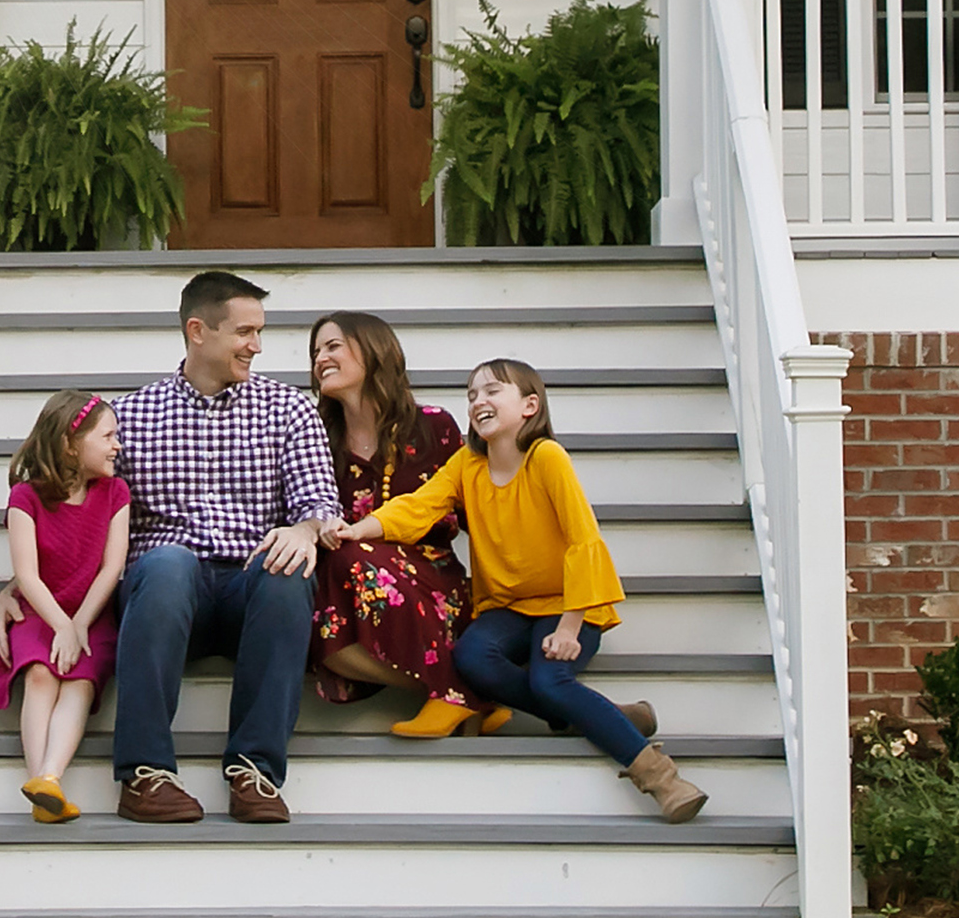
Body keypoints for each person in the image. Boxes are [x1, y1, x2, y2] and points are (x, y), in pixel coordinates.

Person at [368, 356, 706, 820]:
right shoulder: (467, 463)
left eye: (492, 391)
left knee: (551, 681)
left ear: (530, 405)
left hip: (571, 603)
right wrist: (358, 529)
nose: (478, 401)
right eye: (471, 395)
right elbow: (417, 508)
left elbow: (583, 539)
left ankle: (661, 779)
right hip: (507, 607)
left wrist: (570, 626)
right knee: (470, 658)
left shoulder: (546, 457)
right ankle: (604, 713)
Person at [103, 267, 339, 825]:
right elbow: (81, 509)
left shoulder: (288, 410)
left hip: (247, 592)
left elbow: (319, 504)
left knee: (288, 569)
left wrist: (302, 530)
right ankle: (144, 775)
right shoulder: (131, 416)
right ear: (197, 331)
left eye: (260, 332)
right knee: (167, 562)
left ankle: (254, 772)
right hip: (162, 597)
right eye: (244, 332)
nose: (257, 346)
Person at [0, 391, 133, 821]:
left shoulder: (115, 493)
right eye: (107, 436)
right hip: (40, 610)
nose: (117, 445)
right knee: (39, 675)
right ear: (71, 444)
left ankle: (50, 777)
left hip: (92, 612)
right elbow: (27, 576)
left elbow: (112, 568)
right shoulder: (25, 498)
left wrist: (80, 625)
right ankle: (40, 784)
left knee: (80, 681)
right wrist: (60, 625)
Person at [293, 310, 469, 731]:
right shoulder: (315, 436)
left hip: (431, 580)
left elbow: (478, 511)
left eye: (332, 346)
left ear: (373, 352)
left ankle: (460, 693)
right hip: (345, 590)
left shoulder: (433, 427)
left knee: (348, 551)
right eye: (315, 352)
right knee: (312, 623)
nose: (320, 359)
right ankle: (460, 691)